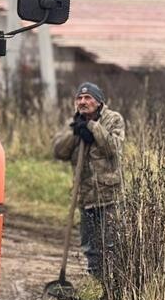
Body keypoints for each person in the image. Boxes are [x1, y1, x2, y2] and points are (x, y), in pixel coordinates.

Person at [53, 82, 125, 278]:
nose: (83, 102)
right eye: (80, 98)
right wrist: (75, 133)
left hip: (109, 196)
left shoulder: (113, 119)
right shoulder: (73, 123)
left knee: (111, 245)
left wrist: (93, 127)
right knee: (90, 247)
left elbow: (114, 148)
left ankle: (113, 285)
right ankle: (95, 283)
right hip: (85, 196)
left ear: (99, 101)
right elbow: (59, 151)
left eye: (88, 98)